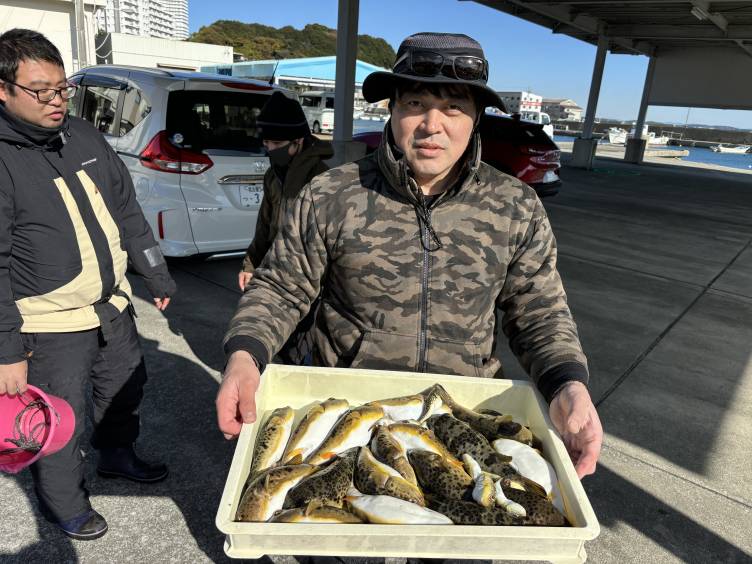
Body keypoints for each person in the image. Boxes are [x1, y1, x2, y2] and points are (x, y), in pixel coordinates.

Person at [217, 32, 602, 478]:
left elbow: (539, 311)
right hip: (348, 422)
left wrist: (567, 384)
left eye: (453, 107)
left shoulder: (517, 206)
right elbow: (282, 288)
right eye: (415, 103)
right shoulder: (330, 194)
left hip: (460, 424)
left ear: (476, 118)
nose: (431, 125)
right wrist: (244, 356)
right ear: (393, 109)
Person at [0, 29, 176, 540]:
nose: (57, 100)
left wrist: (154, 272)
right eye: (40, 91)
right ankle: (65, 502)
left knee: (125, 388)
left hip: (111, 306)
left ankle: (117, 455)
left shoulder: (82, 135)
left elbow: (126, 208)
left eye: (62, 88)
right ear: (3, 90)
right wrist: (7, 351)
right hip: (48, 323)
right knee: (62, 418)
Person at [237, 92, 333, 364]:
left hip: (310, 284)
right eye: (266, 143)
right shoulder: (273, 175)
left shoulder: (324, 179)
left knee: (304, 356)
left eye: (277, 143)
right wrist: (250, 264)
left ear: (298, 141)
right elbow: (264, 225)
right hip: (276, 276)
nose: (270, 149)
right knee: (278, 348)